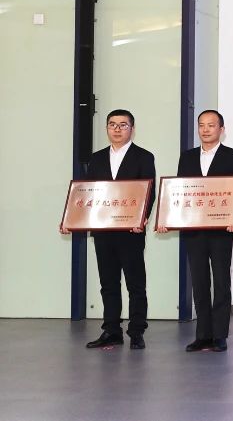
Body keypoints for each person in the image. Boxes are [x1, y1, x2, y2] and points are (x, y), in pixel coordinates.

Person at [160, 110, 233, 353]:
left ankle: (220, 335)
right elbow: (179, 192)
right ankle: (202, 335)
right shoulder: (187, 157)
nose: (205, 130)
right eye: (201, 125)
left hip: (221, 230)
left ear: (221, 129)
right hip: (194, 229)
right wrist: (168, 217)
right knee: (199, 282)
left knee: (221, 282)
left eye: (211, 125)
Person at [75, 109, 156, 350]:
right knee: (108, 283)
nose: (117, 129)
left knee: (135, 284)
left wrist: (141, 219)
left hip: (131, 231)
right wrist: (75, 219)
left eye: (123, 125)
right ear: (107, 128)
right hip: (103, 231)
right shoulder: (96, 158)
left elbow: (149, 193)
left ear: (132, 129)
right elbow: (88, 194)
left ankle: (137, 331)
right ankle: (111, 331)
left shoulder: (144, 157)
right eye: (112, 125)